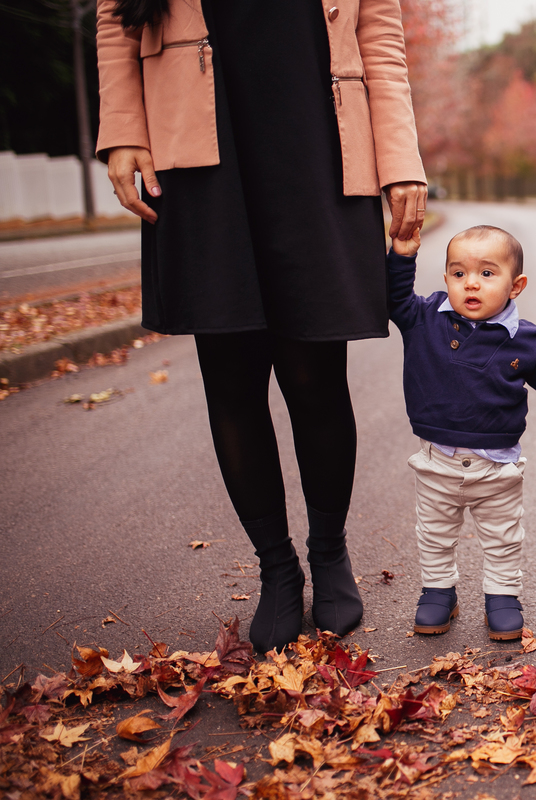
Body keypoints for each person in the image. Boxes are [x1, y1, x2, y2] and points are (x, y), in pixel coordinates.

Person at [95, 0, 428, 654]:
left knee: (315, 369)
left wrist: (400, 159)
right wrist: (123, 127)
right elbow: (116, 16)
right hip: (197, 136)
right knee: (232, 372)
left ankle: (329, 554)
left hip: (319, 131)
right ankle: (277, 569)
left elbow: (380, 37)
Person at [388, 225, 536, 640]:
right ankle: (438, 592)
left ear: (515, 285)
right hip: (437, 461)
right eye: (458, 273)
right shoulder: (425, 318)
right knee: (434, 534)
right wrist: (402, 255)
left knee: (503, 538)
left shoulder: (523, 339)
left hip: (497, 467)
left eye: (487, 273)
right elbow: (394, 297)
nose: (471, 282)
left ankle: (502, 597)